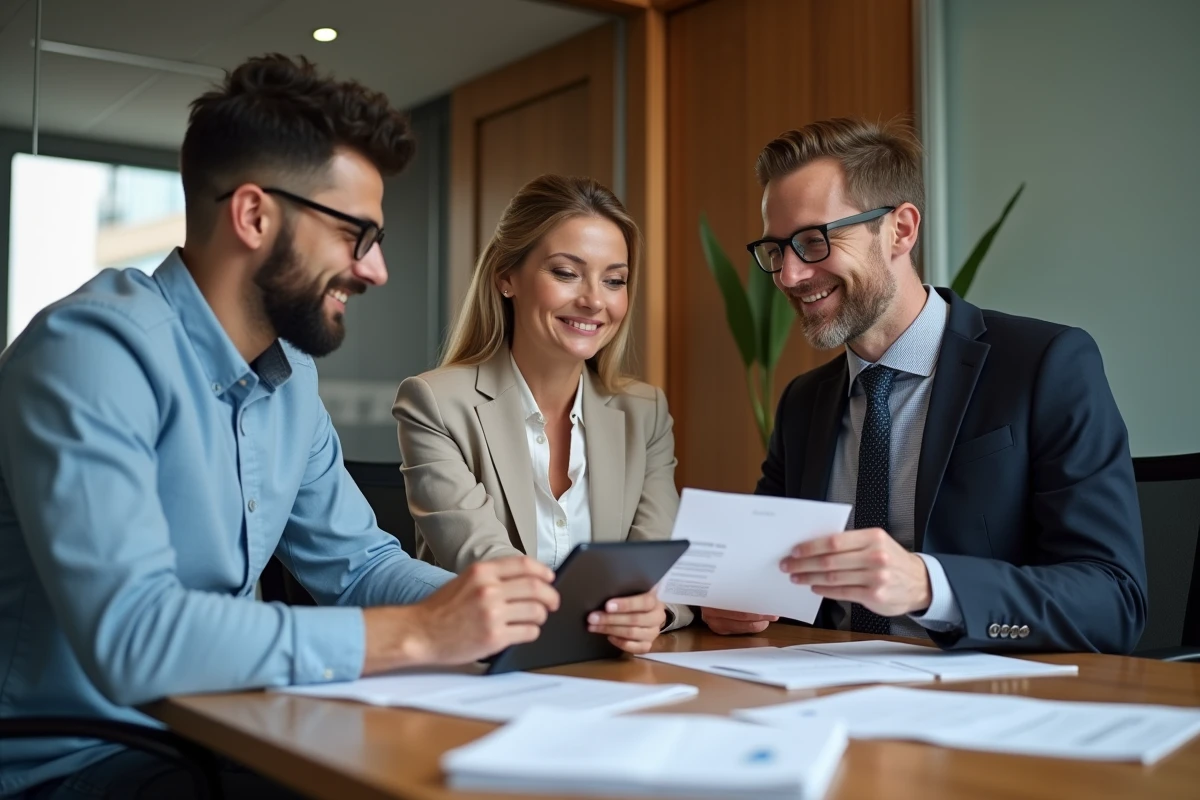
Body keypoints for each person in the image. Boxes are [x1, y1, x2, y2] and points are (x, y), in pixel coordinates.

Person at [0, 55, 558, 799]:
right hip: (79, 763)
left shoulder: (290, 378)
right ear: (255, 215)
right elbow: (133, 638)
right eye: (356, 234)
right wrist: (422, 635)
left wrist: (517, 609)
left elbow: (357, 566)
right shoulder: (90, 352)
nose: (376, 269)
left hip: (231, 731)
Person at [700, 118, 1147, 653]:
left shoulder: (1046, 365)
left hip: (984, 702)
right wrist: (732, 598)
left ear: (901, 230)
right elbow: (761, 579)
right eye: (776, 251)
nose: (790, 276)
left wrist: (930, 585)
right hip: (821, 697)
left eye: (814, 242)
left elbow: (1114, 600)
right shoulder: (805, 401)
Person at [393, 174, 691, 655]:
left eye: (614, 280)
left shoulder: (645, 413)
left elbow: (660, 571)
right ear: (506, 277)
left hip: (611, 676)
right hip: (480, 672)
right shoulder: (434, 403)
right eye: (566, 272)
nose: (595, 299)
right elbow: (488, 567)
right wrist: (617, 606)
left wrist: (655, 610)